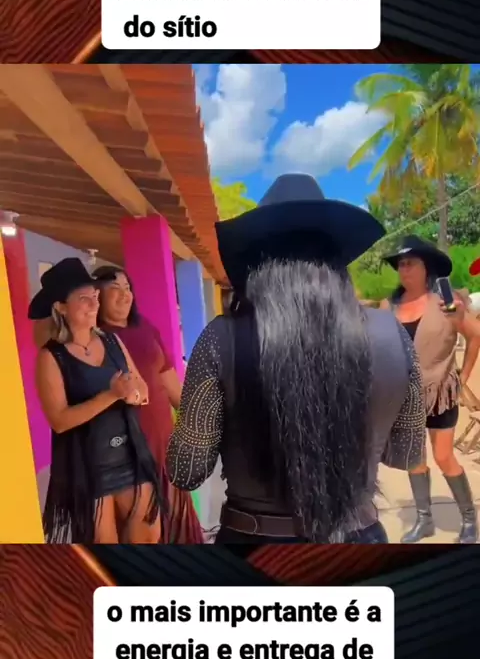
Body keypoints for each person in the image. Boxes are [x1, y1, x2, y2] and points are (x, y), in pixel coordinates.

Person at [166, 174, 427, 547]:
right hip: (359, 539)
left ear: (256, 265)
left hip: (254, 545)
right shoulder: (393, 334)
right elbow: (406, 454)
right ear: (337, 262)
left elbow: (186, 470)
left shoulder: (220, 340)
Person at [29, 258, 164, 544]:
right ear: (60, 307)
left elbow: (141, 388)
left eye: (95, 296)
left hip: (130, 457)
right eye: (84, 299)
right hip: (87, 467)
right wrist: (112, 395)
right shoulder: (51, 357)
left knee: (149, 539)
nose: (94, 304)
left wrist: (133, 394)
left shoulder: (113, 342)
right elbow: (60, 421)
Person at [92, 265, 204, 544]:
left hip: (164, 444)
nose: (124, 295)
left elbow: (170, 385)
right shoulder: (92, 339)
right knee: (143, 529)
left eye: (127, 288)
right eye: (114, 289)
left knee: (176, 523)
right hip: (125, 451)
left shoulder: (146, 328)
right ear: (97, 296)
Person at [380, 235, 479, 544]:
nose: (404, 269)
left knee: (444, 456)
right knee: (415, 458)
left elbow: (475, 335)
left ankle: (469, 520)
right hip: (404, 395)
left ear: (427, 267)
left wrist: (463, 377)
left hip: (440, 394)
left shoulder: (446, 300)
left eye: (410, 263)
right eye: (400, 265)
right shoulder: (389, 306)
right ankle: (424, 521)